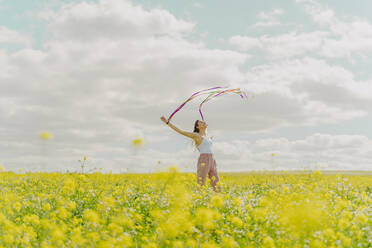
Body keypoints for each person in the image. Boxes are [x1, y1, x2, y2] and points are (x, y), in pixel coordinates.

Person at [160, 116, 221, 192]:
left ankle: (219, 199)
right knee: (201, 182)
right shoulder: (196, 135)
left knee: (216, 183)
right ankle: (199, 198)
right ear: (198, 127)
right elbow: (181, 131)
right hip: (204, 159)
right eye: (201, 123)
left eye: (203, 122)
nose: (203, 122)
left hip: (212, 159)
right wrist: (167, 122)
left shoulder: (209, 137)